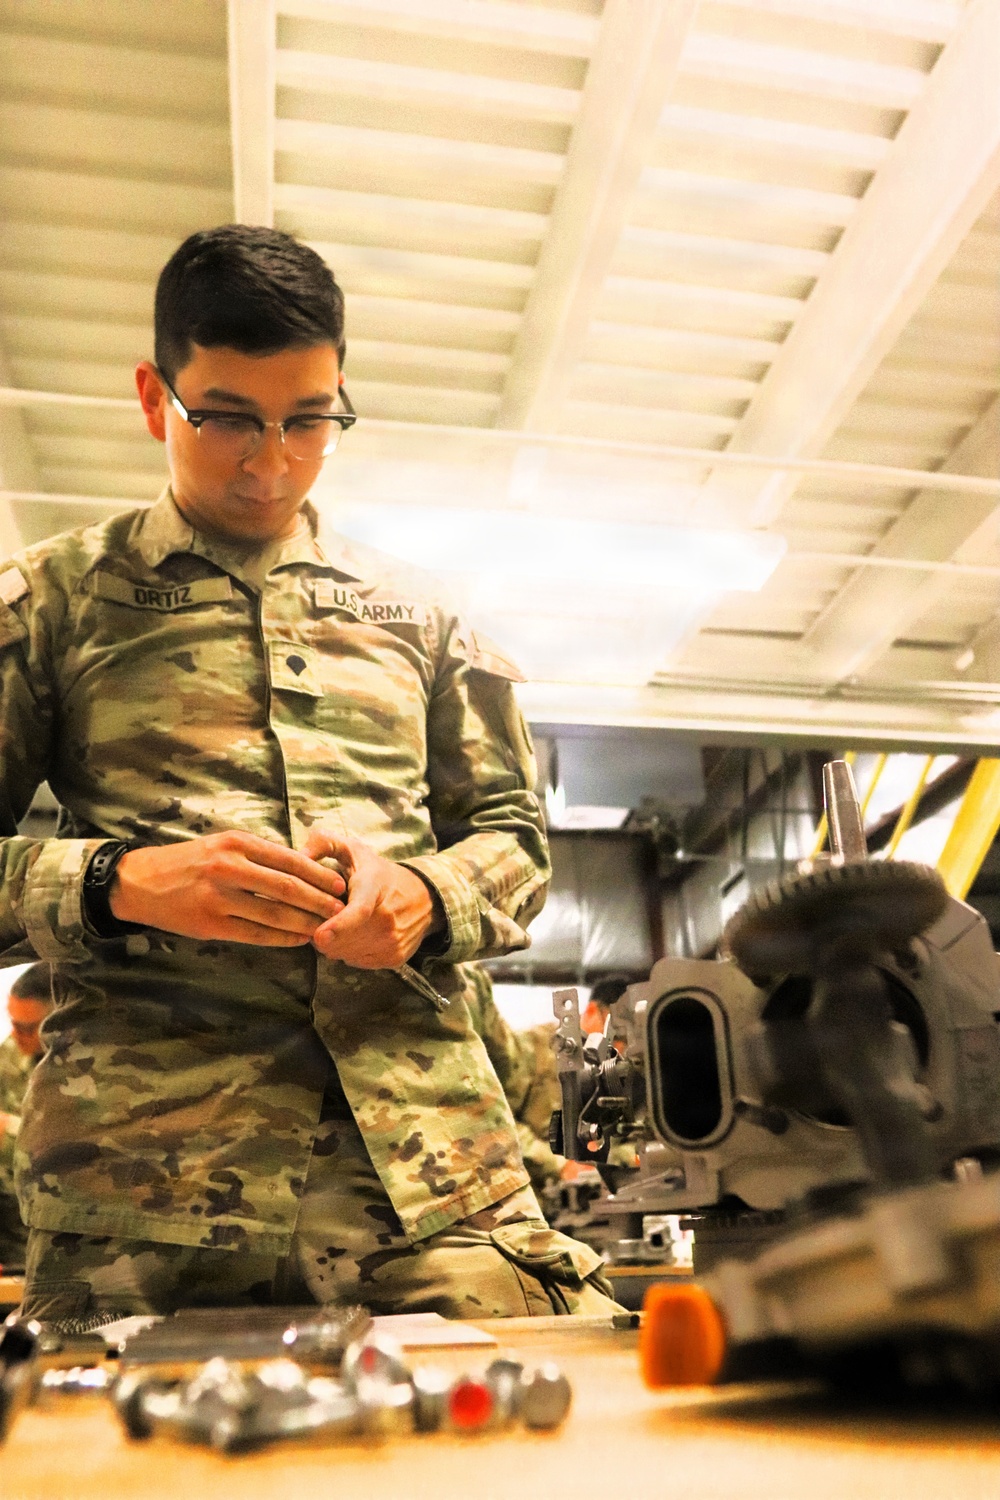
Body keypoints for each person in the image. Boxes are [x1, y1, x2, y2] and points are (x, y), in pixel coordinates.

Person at [0, 225, 617, 1326]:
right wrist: (118, 883)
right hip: (144, 1195)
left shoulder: (422, 615)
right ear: (155, 397)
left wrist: (427, 897)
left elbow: (516, 840)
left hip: (432, 1179)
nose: (270, 460)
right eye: (228, 416)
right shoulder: (52, 604)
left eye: (310, 420)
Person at [0, 966, 52, 1267]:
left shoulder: (86, 1066)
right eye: (13, 1023)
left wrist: (8, 1132)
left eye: (28, 1027)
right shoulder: (8, 1057)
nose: (17, 1036)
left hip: (56, 1220)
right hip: (11, 1216)